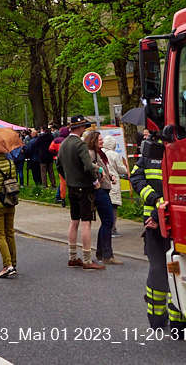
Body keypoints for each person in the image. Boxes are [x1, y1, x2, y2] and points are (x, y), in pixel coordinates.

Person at [131, 133, 186, 339]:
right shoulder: (183, 149)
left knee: (159, 269)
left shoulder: (150, 151)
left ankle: (156, 319)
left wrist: (154, 203)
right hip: (176, 223)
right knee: (178, 269)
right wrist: (158, 204)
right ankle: (179, 326)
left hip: (154, 223)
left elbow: (136, 178)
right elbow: (182, 188)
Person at [56, 116, 103, 270]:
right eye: (84, 127)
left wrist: (68, 177)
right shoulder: (80, 144)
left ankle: (72, 257)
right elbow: (88, 167)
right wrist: (95, 181)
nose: (84, 129)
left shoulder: (63, 144)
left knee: (74, 221)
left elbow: (58, 165)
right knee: (86, 222)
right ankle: (88, 259)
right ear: (80, 128)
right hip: (84, 187)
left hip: (71, 186)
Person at [85, 130, 121, 266]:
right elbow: (89, 167)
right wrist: (97, 181)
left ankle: (101, 253)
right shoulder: (91, 153)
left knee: (106, 221)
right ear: (93, 140)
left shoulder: (99, 154)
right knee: (108, 220)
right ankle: (107, 254)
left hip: (103, 189)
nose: (102, 141)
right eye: (99, 139)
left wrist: (110, 175)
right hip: (99, 190)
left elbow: (102, 168)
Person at [103, 135, 128, 237]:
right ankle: (112, 228)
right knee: (113, 206)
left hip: (104, 181)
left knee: (105, 205)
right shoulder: (114, 155)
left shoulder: (101, 153)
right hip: (113, 182)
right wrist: (126, 169)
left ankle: (105, 226)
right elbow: (121, 169)